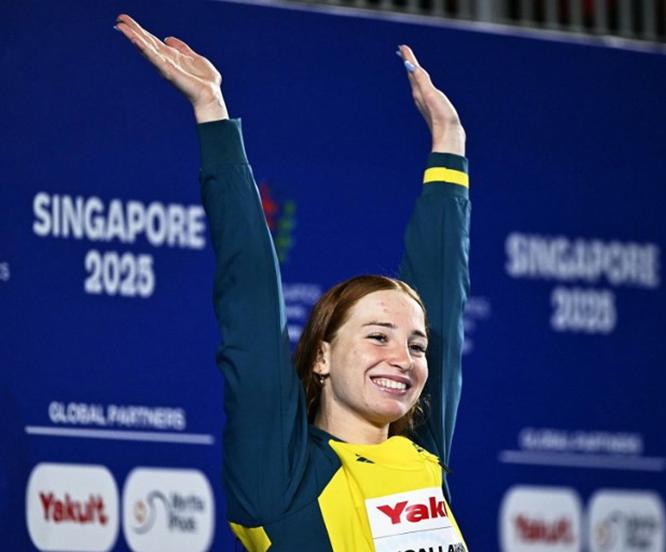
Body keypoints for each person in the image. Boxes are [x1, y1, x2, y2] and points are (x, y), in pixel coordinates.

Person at [115, 14, 470, 552]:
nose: (404, 357)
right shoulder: (280, 477)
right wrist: (212, 111)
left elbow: (443, 291)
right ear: (322, 357)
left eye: (416, 346)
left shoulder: (420, 455)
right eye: (377, 336)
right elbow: (250, 303)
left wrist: (449, 142)